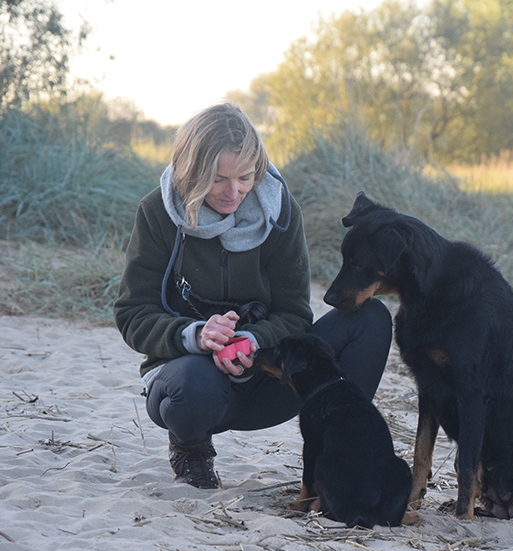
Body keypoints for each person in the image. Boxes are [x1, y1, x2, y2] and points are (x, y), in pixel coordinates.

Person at [114, 102, 392, 489]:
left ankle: (344, 453)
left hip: (269, 377)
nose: (234, 192)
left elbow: (295, 314)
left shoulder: (282, 212)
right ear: (190, 171)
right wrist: (196, 335)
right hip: (193, 384)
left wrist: (253, 340)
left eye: (245, 177)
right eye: (217, 180)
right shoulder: (156, 212)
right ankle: (192, 450)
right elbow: (133, 313)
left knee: (369, 318)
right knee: (192, 386)